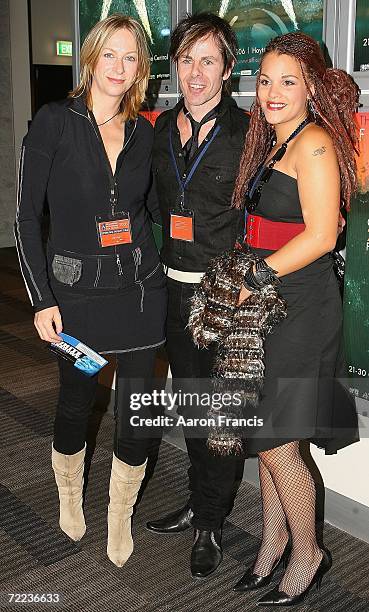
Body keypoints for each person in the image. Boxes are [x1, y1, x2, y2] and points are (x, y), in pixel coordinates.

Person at [14, 14, 166, 568]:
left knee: (139, 409)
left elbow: (146, 212)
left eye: (131, 58)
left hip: (139, 295)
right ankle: (69, 495)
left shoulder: (144, 132)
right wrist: (41, 297)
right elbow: (26, 220)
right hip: (75, 299)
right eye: (111, 54)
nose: (120, 68)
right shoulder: (54, 122)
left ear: (140, 69)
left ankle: (119, 513)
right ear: (91, 57)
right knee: (78, 401)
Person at [230, 32, 359, 606]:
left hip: (302, 310)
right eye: (265, 80)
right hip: (272, 305)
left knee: (279, 443)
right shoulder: (277, 144)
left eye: (288, 80)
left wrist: (252, 281)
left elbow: (323, 235)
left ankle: (308, 554)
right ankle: (272, 545)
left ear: (311, 86)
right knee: (266, 439)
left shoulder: (315, 146)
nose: (273, 92)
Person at [146, 13, 249, 579]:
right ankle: (195, 501)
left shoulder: (247, 135)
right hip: (172, 292)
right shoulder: (160, 129)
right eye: (187, 59)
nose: (196, 73)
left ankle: (211, 520)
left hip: (223, 301)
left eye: (209, 60)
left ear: (229, 69)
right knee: (189, 404)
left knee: (220, 418)